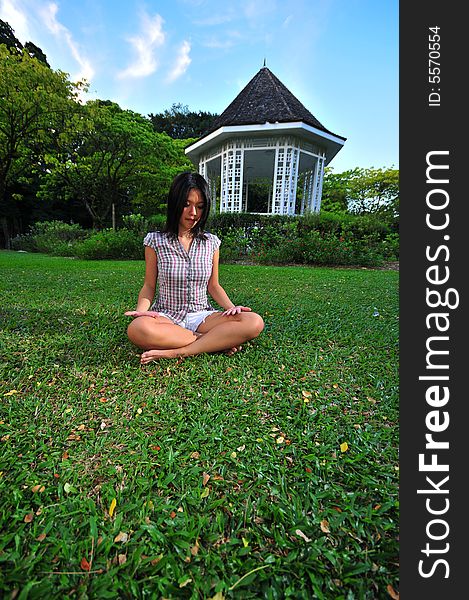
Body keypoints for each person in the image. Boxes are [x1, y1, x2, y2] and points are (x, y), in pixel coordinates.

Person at [125, 171, 264, 363]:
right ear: (175, 203)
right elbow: (149, 285)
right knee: (137, 328)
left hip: (202, 316)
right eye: (186, 205)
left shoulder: (211, 243)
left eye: (199, 207)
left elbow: (213, 286)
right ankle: (215, 343)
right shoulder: (155, 241)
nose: (193, 213)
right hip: (167, 315)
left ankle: (177, 351)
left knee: (253, 321)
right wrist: (142, 311)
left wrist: (232, 308)